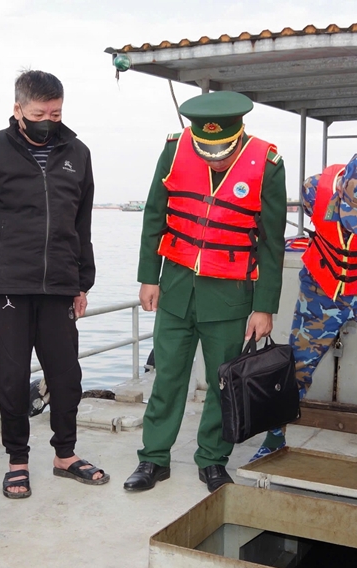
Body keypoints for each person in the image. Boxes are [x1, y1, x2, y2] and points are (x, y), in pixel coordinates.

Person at [123, 91, 287, 494]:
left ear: (239, 134)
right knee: (167, 377)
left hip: (230, 296)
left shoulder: (267, 163)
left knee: (222, 383)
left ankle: (213, 459)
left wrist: (264, 307)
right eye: (206, 152)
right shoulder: (174, 149)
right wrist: (149, 277)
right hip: (176, 289)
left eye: (222, 153)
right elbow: (154, 215)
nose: (214, 160)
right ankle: (153, 458)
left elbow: (271, 243)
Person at [0, 70, 106, 499]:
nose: (48, 121)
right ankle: (17, 461)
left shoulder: (78, 153)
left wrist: (82, 282)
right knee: (12, 377)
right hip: (7, 286)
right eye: (39, 114)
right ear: (18, 109)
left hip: (59, 285)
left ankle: (65, 455)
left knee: (67, 376)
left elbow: (81, 224)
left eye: (55, 114)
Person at [250, 153, 357, 497]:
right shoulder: (314, 189)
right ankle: (274, 437)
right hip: (322, 287)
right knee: (295, 366)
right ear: (341, 188)